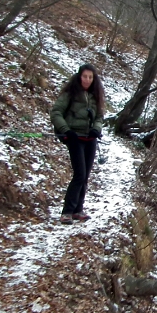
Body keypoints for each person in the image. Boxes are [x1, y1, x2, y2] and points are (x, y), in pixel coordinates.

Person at [50, 63, 105, 224]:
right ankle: (67, 211)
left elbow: (100, 117)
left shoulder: (95, 95)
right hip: (74, 137)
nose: (87, 80)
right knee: (79, 173)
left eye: (90, 77)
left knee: (85, 175)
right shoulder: (70, 93)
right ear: (79, 76)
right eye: (84, 76)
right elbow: (56, 112)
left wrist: (96, 128)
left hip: (90, 139)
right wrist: (66, 130)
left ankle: (78, 210)